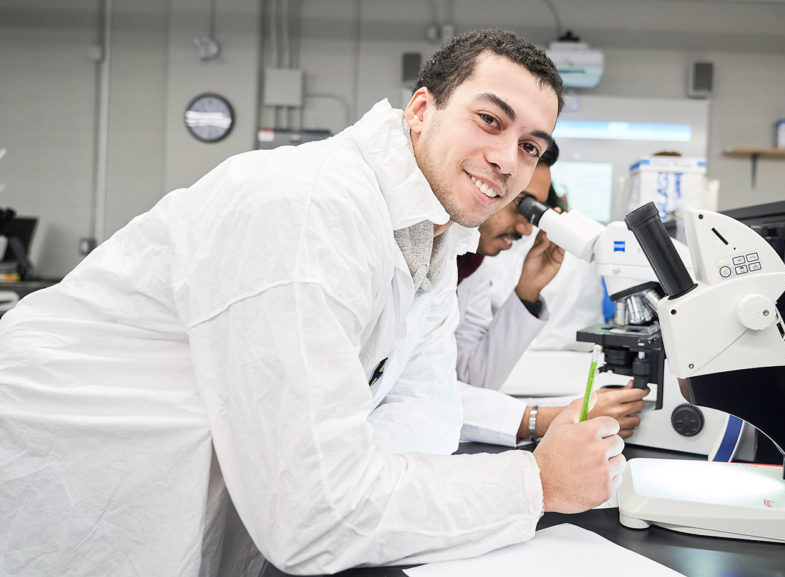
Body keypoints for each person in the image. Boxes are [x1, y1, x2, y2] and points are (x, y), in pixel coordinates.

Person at [0, 29, 625, 577]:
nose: (507, 160)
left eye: (531, 146)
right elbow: (311, 512)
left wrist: (370, 480)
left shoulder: (433, 240)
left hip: (187, 515)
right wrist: (536, 483)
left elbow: (423, 420)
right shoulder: (308, 209)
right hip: (62, 501)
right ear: (420, 110)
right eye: (491, 120)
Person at [455, 141, 647, 446]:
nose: (527, 229)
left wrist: (528, 290)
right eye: (523, 203)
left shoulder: (472, 261)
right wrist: (548, 419)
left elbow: (470, 379)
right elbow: (419, 394)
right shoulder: (435, 255)